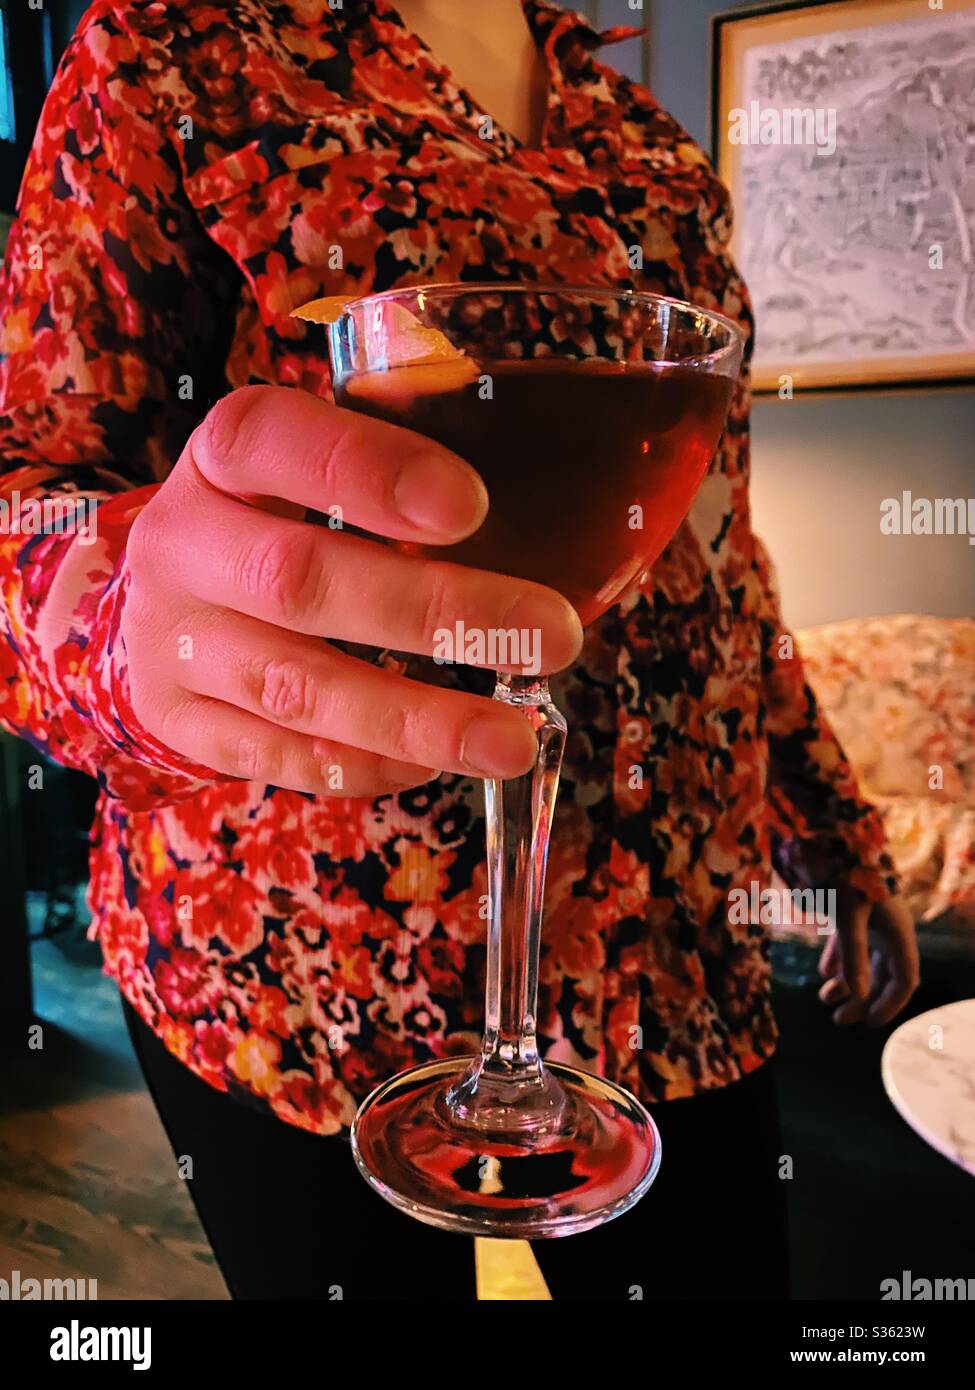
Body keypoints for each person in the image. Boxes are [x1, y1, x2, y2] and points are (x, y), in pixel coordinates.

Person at [0, 0, 917, 1300]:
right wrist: (107, 622)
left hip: (678, 972)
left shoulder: (654, 145)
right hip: (316, 984)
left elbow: (722, 554)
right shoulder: (169, 48)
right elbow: (26, 478)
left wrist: (834, 830)